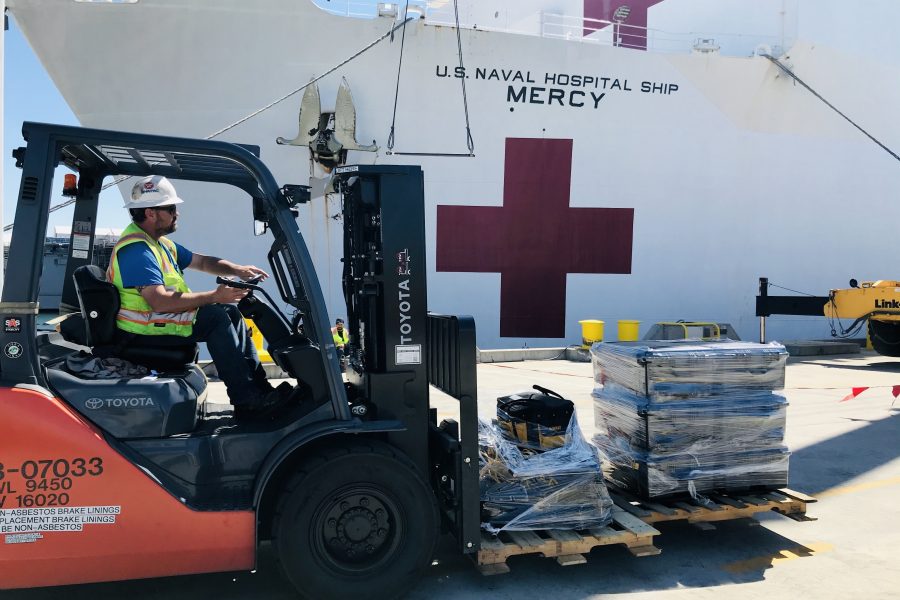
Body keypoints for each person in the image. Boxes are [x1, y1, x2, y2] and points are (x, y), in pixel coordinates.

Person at [108, 175, 290, 419]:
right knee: (215, 317)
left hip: (157, 319)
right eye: (171, 208)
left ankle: (260, 389)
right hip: (142, 329)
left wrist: (237, 269)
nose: (177, 214)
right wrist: (216, 295)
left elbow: (202, 261)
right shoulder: (137, 250)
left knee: (231, 312)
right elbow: (159, 301)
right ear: (151, 213)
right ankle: (246, 401)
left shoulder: (160, 244)